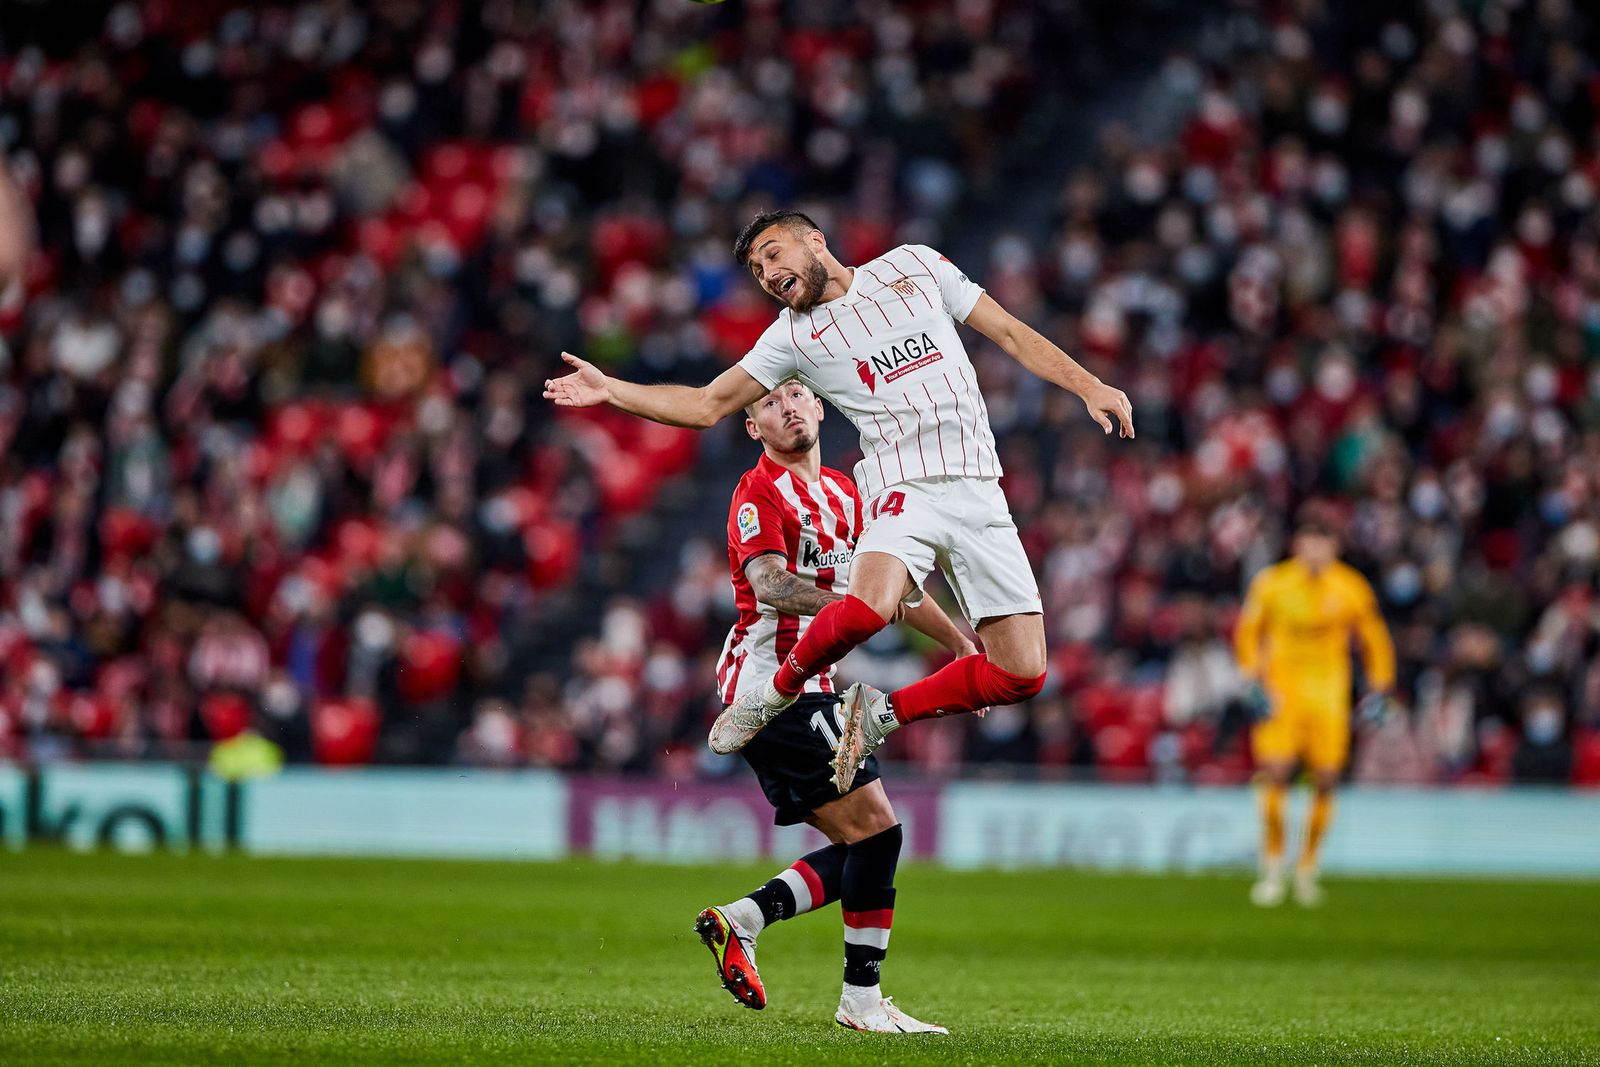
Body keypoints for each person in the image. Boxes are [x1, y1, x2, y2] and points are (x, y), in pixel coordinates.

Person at [545, 210, 1134, 792]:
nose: (768, 273)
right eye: (756, 269)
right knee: (870, 605)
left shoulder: (917, 266)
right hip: (902, 483)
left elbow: (1007, 331)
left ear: (815, 242)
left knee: (1022, 674)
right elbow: (705, 405)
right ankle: (773, 695)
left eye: (773, 254)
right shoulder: (791, 337)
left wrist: (1091, 385)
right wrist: (611, 391)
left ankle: (879, 716)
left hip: (980, 487)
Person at [694, 379, 971, 1034]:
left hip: (815, 688)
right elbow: (769, 582)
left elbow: (892, 585)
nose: (786, 406)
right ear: (753, 427)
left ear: (819, 406)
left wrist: (958, 640)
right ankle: (860, 1001)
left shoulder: (846, 493)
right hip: (768, 691)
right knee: (879, 833)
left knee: (866, 843)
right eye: (768, 402)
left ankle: (745, 919)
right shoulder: (755, 492)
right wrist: (852, 608)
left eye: (796, 394)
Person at [1234, 508, 1396, 907]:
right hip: (1281, 693)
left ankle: (1307, 870)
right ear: (1297, 546)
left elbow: (1374, 639)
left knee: (1326, 778)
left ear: (1335, 548)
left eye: (1323, 543)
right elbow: (1248, 634)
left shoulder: (1351, 588)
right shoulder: (1272, 584)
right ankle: (1272, 868)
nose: (1315, 550)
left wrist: (1380, 688)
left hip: (1329, 696)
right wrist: (1252, 679)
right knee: (1275, 772)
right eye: (1308, 542)